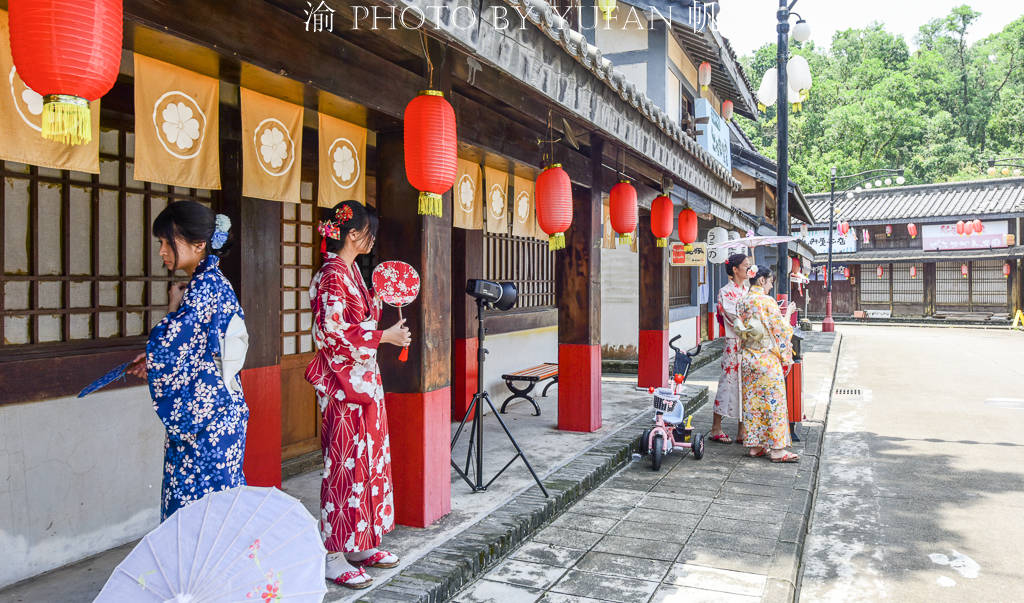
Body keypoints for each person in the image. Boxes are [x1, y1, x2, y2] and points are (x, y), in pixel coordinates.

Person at [305, 200, 412, 589]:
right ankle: (334, 553)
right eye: (369, 234)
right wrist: (384, 335)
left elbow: (356, 321)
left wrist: (380, 303)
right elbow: (331, 333)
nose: (372, 240)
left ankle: (361, 541)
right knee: (344, 464)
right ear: (353, 235)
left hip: (364, 383)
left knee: (368, 460)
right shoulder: (333, 276)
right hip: (343, 387)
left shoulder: (350, 272)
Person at [127, 201, 249, 521]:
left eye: (167, 242)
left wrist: (154, 358)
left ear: (198, 244)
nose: (162, 251)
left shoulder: (205, 285)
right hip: (214, 410)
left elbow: (174, 344)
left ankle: (204, 574)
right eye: (161, 243)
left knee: (200, 511)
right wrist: (156, 355)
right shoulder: (207, 283)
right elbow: (186, 344)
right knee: (212, 508)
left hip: (207, 418)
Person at [735, 266, 799, 463]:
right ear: (761, 280)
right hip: (765, 359)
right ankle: (778, 450)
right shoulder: (766, 301)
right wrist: (788, 313)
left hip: (748, 358)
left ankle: (756, 445)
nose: (771, 286)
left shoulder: (742, 301)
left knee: (753, 403)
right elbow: (781, 330)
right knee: (774, 403)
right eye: (770, 282)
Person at [709, 253, 750, 444]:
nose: (749, 270)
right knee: (728, 382)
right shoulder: (725, 292)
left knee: (745, 383)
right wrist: (751, 320)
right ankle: (716, 427)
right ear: (735, 269)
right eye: (746, 266)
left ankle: (742, 430)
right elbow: (734, 318)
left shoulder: (747, 290)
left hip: (747, 343)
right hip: (734, 342)